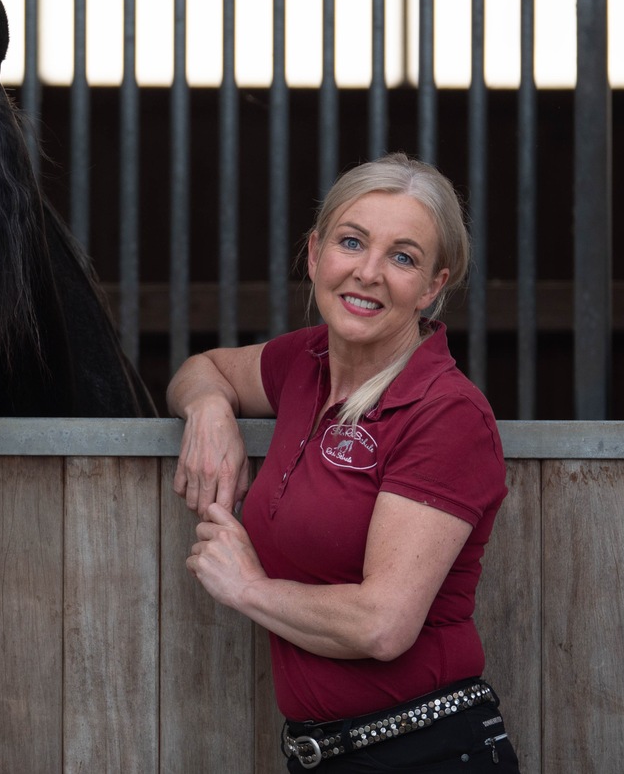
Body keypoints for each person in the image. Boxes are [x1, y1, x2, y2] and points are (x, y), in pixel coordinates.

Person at [167, 153, 520, 772]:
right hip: (329, 753)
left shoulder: (446, 414)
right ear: (314, 254)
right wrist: (207, 410)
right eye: (351, 243)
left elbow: (382, 625)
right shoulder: (305, 364)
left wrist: (247, 587)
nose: (369, 272)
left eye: (403, 257)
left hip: (424, 752)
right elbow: (205, 369)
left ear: (433, 286)